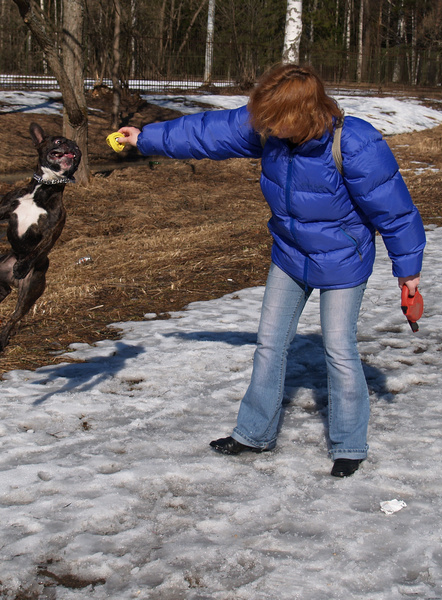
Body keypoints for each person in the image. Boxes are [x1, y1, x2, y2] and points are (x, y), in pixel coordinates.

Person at [116, 63, 425, 478]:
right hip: (290, 253)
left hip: (342, 261)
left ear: (299, 116)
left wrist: (408, 272)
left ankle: (349, 444)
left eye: (274, 121)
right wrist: (147, 137)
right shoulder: (272, 131)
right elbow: (210, 132)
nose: (265, 129)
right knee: (269, 343)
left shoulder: (355, 143)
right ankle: (253, 434)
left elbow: (396, 211)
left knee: (339, 350)